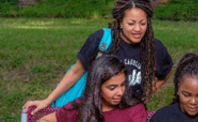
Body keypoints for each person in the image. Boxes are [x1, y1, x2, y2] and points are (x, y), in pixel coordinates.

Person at [23, 0, 173, 114]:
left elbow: (166, 71)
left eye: (143, 23)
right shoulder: (101, 40)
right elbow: (76, 71)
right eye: (131, 23)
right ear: (120, 22)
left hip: (130, 115)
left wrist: (148, 93)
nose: (138, 29)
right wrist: (48, 100)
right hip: (96, 113)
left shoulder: (154, 47)